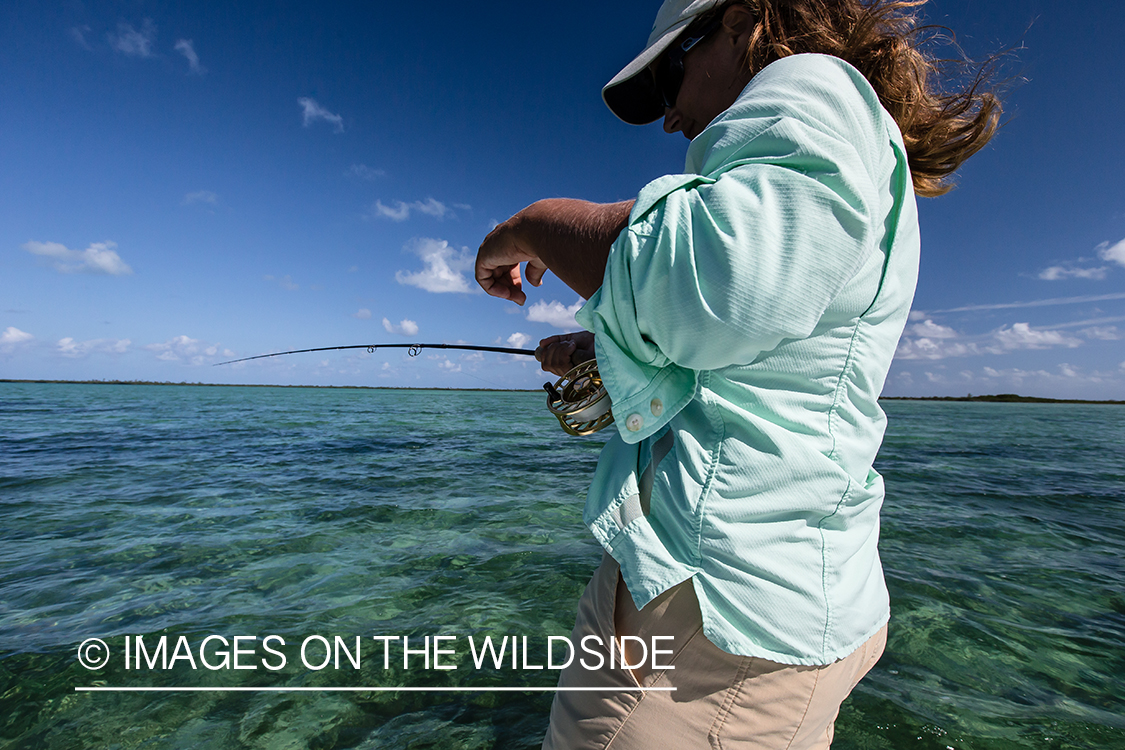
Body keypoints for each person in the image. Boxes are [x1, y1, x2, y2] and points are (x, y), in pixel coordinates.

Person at [475, 1, 1000, 747]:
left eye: (667, 79)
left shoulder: (813, 82)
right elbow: (749, 343)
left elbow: (713, 280)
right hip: (765, 606)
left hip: (712, 619)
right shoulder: (846, 136)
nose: (668, 116)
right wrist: (605, 346)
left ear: (741, 21)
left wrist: (529, 225)